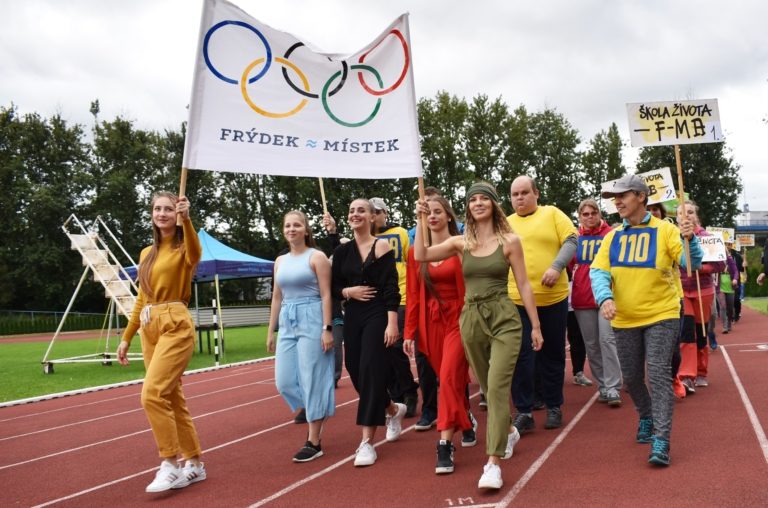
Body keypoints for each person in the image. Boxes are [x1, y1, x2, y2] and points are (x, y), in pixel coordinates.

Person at [414, 182, 543, 490]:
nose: (479, 203)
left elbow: (524, 284)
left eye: (485, 198)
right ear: (468, 208)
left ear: (495, 205)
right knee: (486, 386)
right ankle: (508, 430)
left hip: (503, 318)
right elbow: (422, 254)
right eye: (473, 200)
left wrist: (536, 325)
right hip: (471, 319)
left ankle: (492, 463)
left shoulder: (510, 241)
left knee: (496, 389)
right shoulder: (461, 243)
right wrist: (420, 219)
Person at [591, 174, 703, 466]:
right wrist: (605, 297)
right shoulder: (612, 237)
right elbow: (598, 271)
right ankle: (646, 415)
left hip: (662, 314)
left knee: (657, 374)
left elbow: (691, 264)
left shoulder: (666, 230)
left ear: (641, 196)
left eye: (622, 196)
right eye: (614, 198)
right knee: (630, 378)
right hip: (624, 318)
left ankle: (662, 440)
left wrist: (690, 240)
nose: (617, 202)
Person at [117, 192, 206, 492]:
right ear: (151, 213)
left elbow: (195, 254)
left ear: (176, 214)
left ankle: (170, 462)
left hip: (175, 321)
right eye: (157, 208)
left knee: (151, 394)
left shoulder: (184, 246)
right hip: (149, 327)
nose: (162, 213)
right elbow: (142, 298)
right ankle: (194, 462)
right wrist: (127, 337)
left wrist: (187, 219)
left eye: (168, 209)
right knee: (171, 396)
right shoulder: (146, 253)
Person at [331, 198, 406, 467]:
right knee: (355, 370)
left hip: (377, 312)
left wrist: (392, 323)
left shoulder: (381, 246)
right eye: (352, 210)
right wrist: (348, 292)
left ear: (372, 216)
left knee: (371, 369)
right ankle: (392, 409)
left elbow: (391, 288)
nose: (355, 214)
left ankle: (366, 442)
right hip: (353, 314)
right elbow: (332, 287)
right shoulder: (342, 252)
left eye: (361, 210)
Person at [404, 194, 474, 474]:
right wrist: (409, 331)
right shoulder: (415, 253)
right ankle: (465, 419)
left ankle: (445, 443)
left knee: (446, 378)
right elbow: (413, 295)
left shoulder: (460, 245)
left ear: (448, 216)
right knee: (451, 379)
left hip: (459, 318)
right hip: (430, 322)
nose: (432, 216)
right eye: (427, 213)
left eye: (437, 211)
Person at [507, 176, 577, 432]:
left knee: (553, 353)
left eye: (524, 192)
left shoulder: (552, 214)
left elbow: (571, 240)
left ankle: (554, 406)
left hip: (552, 298)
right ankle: (524, 411)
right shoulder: (505, 223)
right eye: (515, 194)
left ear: (536, 193)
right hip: (516, 301)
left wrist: (557, 267)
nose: (520, 198)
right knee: (521, 356)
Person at [266, 211, 335, 463]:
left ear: (306, 230)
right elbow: (277, 296)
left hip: (312, 316)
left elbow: (326, 294)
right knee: (284, 382)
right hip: (287, 320)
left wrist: (327, 328)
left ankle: (314, 440)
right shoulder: (279, 261)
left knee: (313, 377)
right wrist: (271, 330)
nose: (292, 229)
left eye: (297, 225)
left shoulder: (316, 257)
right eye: (288, 225)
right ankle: (317, 406)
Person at [371, 196, 437, 426]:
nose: (374, 216)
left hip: (401, 294)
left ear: (385, 213)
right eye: (371, 212)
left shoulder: (400, 233)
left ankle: (409, 391)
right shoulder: (365, 238)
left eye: (378, 211)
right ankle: (398, 391)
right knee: (383, 350)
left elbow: (416, 257)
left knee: (396, 344)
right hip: (376, 299)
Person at [571, 198, 623, 406]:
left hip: (607, 298)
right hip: (582, 298)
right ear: (579, 217)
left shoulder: (611, 234)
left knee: (607, 340)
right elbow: (569, 265)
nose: (590, 217)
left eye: (593, 213)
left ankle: (613, 387)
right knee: (591, 345)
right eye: (585, 214)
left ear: (600, 214)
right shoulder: (574, 238)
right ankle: (603, 385)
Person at [676, 201, 724, 391]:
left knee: (701, 331)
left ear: (696, 215)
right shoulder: (673, 237)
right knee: (687, 332)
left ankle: (701, 371)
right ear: (676, 217)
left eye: (689, 212)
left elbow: (720, 265)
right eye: (681, 213)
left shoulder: (707, 237)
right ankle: (687, 375)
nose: (686, 216)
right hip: (682, 292)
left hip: (703, 291)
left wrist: (700, 268)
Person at [718, 243, 739, 334]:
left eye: (724, 250)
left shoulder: (730, 260)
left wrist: (735, 279)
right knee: (723, 306)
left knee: (730, 308)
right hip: (720, 288)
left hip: (730, 287)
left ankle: (729, 322)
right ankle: (724, 326)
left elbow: (736, 271)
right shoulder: (716, 261)